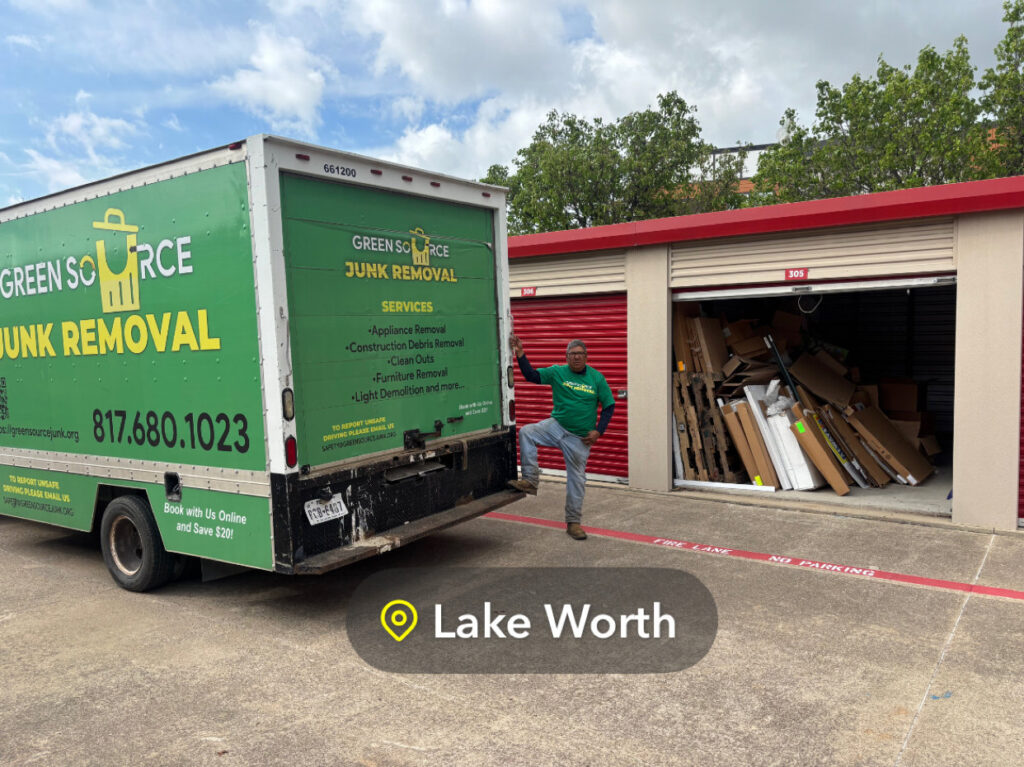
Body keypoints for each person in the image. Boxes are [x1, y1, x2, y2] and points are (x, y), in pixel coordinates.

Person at [507, 334, 615, 540]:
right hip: (556, 426)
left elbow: (609, 406)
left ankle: (573, 523)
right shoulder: (557, 372)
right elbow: (531, 376)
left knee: (577, 480)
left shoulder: (596, 378)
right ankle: (530, 480)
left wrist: (599, 431)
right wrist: (520, 352)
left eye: (580, 354)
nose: (576, 357)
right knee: (527, 432)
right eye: (572, 354)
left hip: (580, 438)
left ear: (586, 356)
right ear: (566, 357)